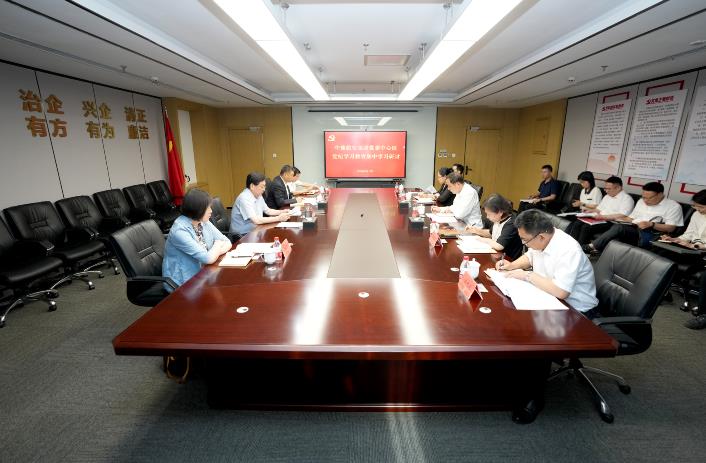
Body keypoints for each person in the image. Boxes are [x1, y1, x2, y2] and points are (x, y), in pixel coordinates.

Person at [495, 209, 599, 317]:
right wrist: (511, 265)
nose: (523, 243)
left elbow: (561, 291)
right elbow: (530, 257)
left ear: (541, 237)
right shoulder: (542, 238)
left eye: (525, 240)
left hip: (577, 310)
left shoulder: (569, 250)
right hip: (550, 298)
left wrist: (527, 275)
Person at [584, 181, 683, 254]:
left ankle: (591, 247)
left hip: (650, 233)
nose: (645, 201)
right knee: (616, 227)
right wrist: (619, 219)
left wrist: (651, 224)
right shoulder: (641, 201)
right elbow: (631, 218)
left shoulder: (673, 206)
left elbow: (671, 228)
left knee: (619, 229)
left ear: (660, 194)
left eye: (649, 198)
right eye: (643, 197)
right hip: (634, 228)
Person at [163, 189, 232, 289]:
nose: (211, 211)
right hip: (183, 282)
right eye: (208, 208)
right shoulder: (179, 231)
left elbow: (227, 242)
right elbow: (208, 258)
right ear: (197, 209)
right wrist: (217, 244)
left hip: (204, 273)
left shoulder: (202, 221)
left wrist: (213, 254)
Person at [566, 176, 634, 244]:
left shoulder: (627, 199)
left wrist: (603, 217)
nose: (606, 191)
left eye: (609, 189)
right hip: (600, 219)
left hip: (612, 222)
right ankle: (570, 244)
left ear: (618, 188)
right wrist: (590, 211)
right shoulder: (607, 196)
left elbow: (622, 215)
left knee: (586, 227)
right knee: (577, 223)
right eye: (605, 188)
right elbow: (599, 209)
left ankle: (581, 247)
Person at [231, 172, 291, 236]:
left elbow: (268, 211)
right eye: (262, 187)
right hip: (242, 234)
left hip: (256, 229)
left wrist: (283, 211)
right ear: (252, 186)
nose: (264, 189)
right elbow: (256, 220)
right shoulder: (244, 198)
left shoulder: (258, 195)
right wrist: (278, 218)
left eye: (264, 186)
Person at [465, 194, 523, 259]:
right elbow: (491, 233)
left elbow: (499, 246)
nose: (487, 217)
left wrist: (481, 239)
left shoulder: (511, 224)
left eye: (489, 214)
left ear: (500, 212)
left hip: (508, 259)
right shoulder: (499, 219)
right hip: (496, 254)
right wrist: (476, 230)